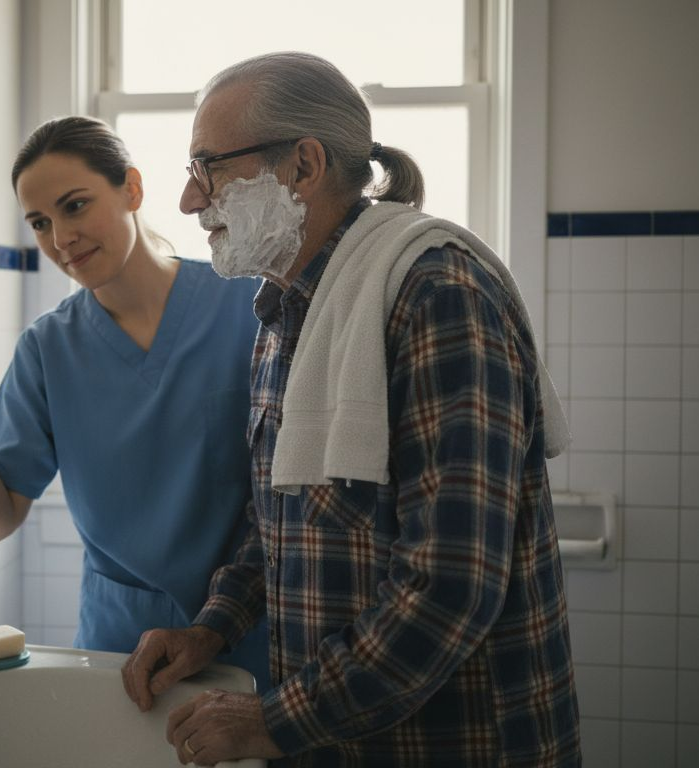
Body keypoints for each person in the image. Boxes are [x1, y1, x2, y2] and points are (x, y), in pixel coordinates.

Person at [120, 53, 580, 767]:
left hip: (462, 744)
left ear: (303, 165)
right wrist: (213, 627)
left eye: (207, 167)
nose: (187, 200)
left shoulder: (437, 295)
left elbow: (450, 585)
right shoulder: (285, 315)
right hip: (344, 742)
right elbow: (279, 514)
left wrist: (272, 721)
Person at [0, 116, 270, 691]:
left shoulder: (246, 305)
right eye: (40, 222)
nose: (60, 238)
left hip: (249, 638)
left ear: (133, 189)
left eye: (75, 206)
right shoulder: (50, 348)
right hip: (120, 652)